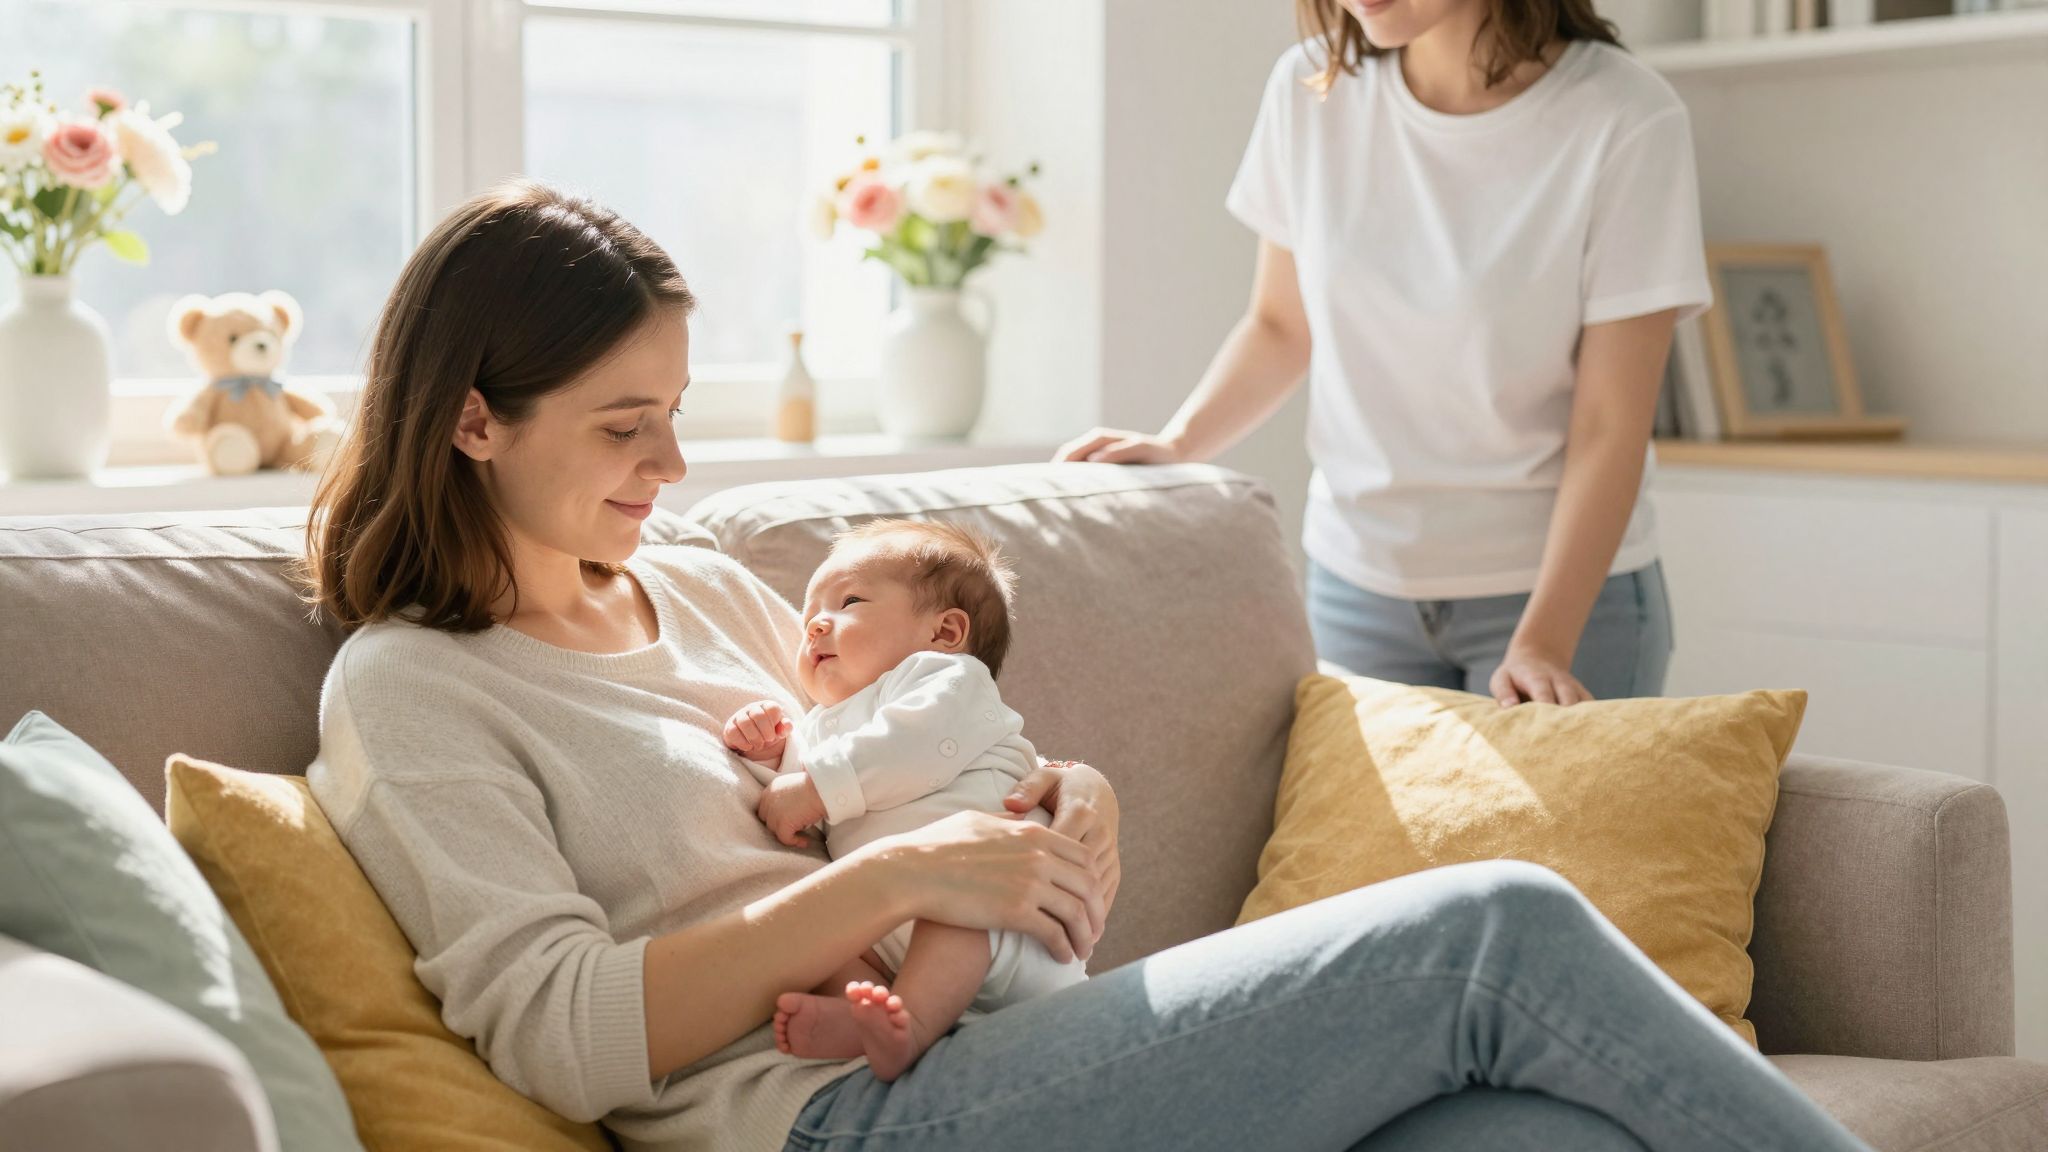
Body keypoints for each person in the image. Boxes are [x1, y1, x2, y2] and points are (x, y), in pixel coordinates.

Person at [301, 179, 1871, 1151]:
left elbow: (911, 730)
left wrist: (1064, 801)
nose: (673, 462)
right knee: (1493, 932)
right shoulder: (413, 689)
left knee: (1525, 1132)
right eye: (623, 427)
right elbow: (563, 1039)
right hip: (842, 1116)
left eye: (676, 410)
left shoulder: (693, 583)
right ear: (471, 418)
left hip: (1010, 1039)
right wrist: (889, 885)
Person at [1058, 0, 1704, 710]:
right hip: (1355, 587)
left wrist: (1542, 642)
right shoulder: (1311, 89)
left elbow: (1611, 422)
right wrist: (1180, 441)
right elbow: (1280, 326)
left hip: (1560, 602)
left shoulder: (1626, 116)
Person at [723, 519, 1088, 1082]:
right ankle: (867, 1017)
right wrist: (769, 753)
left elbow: (905, 748)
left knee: (959, 898)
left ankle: (912, 1028)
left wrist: (813, 788)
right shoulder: (824, 725)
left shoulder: (947, 680)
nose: (816, 622)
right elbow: (798, 808)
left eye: (848, 602)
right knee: (812, 941)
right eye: (808, 615)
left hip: (1005, 917)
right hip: (900, 923)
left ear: (945, 632)